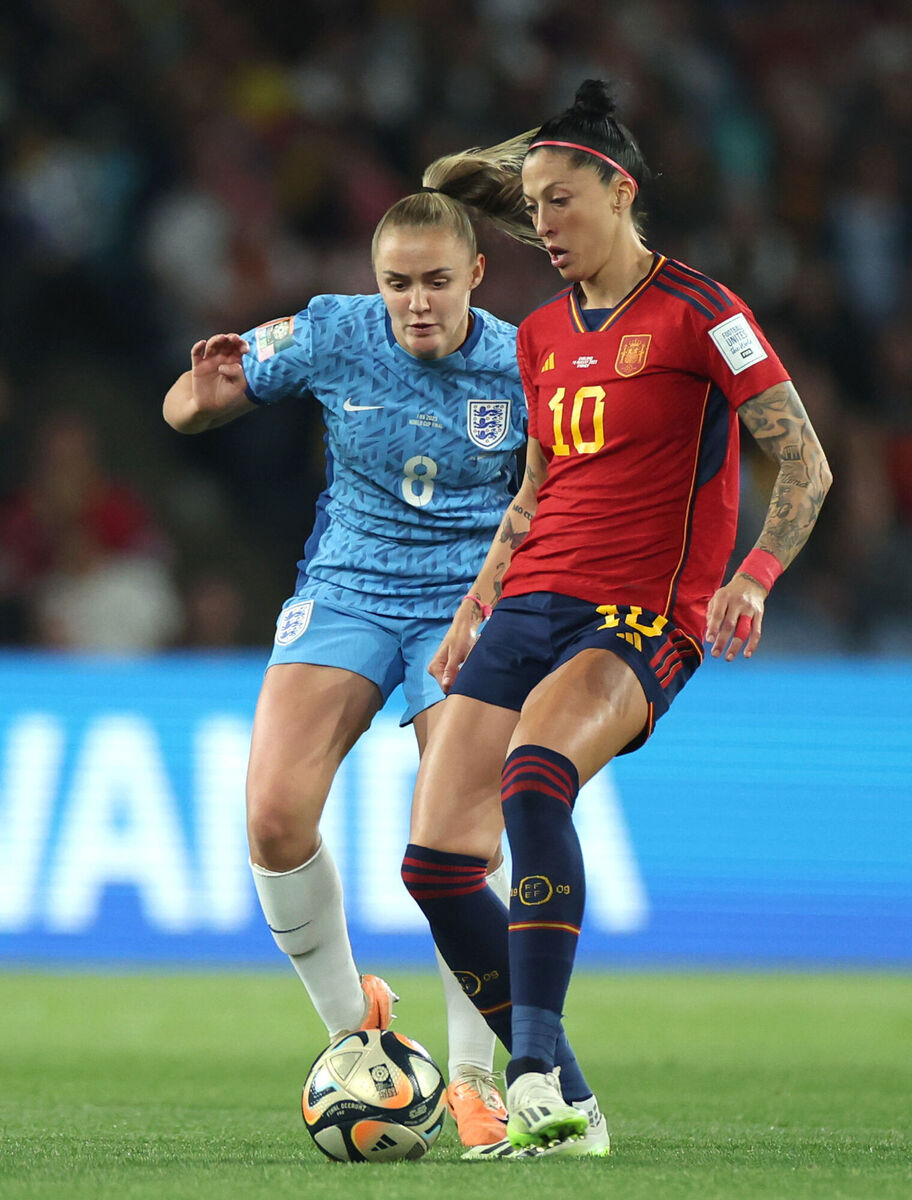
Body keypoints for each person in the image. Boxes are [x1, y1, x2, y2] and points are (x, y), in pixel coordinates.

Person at [401, 80, 833, 1156]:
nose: (542, 225)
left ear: (617, 191)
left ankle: (533, 1065)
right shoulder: (541, 335)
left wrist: (755, 574)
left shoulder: (703, 311)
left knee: (534, 775)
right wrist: (473, 607)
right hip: (529, 600)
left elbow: (805, 460)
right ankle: (576, 1104)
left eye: (559, 202)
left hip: (639, 615)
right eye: (532, 206)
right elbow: (535, 490)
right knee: (437, 861)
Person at [162, 164, 545, 1150]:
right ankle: (355, 1034)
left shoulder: (526, 366)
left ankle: (472, 1078)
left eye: (435, 281)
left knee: (459, 841)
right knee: (274, 815)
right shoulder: (333, 330)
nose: (415, 302)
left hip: (465, 604)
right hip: (349, 588)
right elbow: (183, 405)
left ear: (475, 274)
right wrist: (201, 401)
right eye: (398, 283)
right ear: (375, 281)